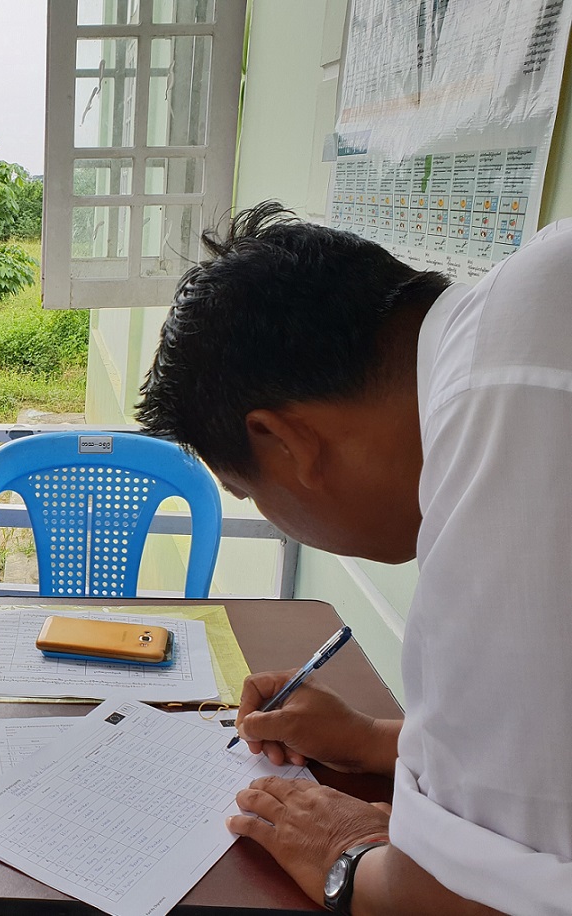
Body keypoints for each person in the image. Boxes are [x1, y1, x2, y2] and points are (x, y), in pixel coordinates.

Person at [136, 201, 571, 915]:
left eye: (245, 491)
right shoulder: (537, 294)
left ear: (286, 443)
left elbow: (465, 904)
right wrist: (373, 740)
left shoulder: (503, 455)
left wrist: (345, 851)